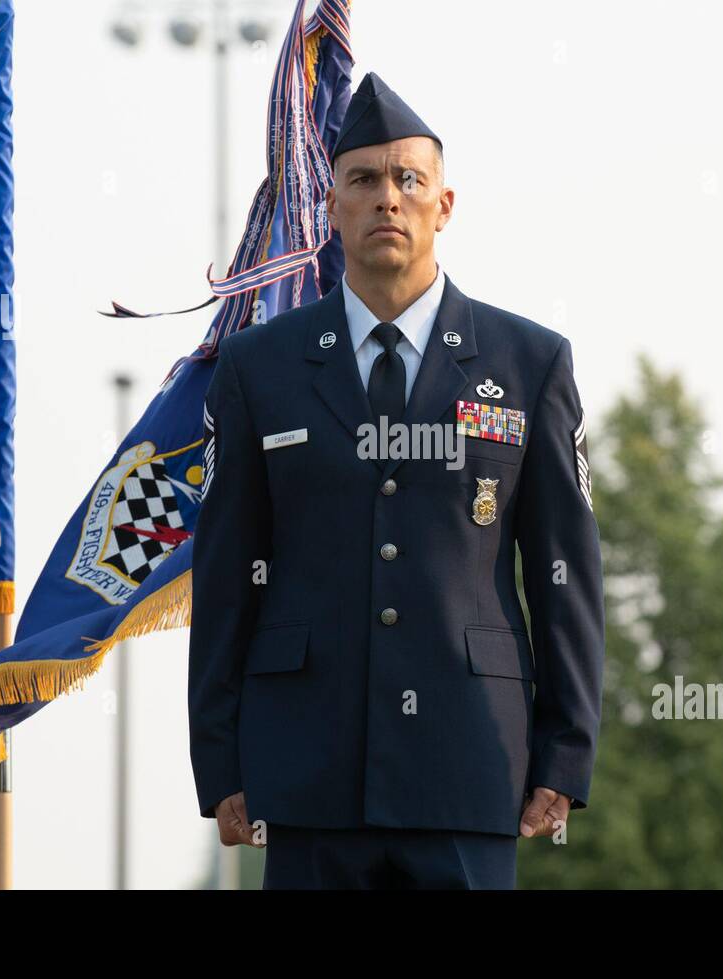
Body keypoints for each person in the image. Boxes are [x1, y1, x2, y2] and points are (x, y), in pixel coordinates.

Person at [188, 71, 604, 889]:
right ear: (331, 208)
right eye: (365, 180)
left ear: (444, 205)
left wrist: (567, 749)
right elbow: (227, 574)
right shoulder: (256, 370)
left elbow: (567, 575)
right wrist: (221, 756)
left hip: (471, 764)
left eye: (409, 180)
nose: (389, 198)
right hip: (305, 774)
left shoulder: (529, 364)